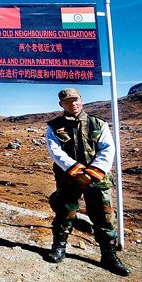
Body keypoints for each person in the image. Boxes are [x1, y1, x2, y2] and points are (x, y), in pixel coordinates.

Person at [45, 88, 130, 276]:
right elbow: (55, 151)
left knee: (104, 217)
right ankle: (59, 247)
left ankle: (109, 255)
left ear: (81, 101)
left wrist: (92, 172)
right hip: (68, 178)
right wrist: (76, 171)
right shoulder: (54, 126)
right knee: (64, 213)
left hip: (96, 179)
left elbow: (107, 149)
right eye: (67, 101)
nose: (72, 104)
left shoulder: (98, 124)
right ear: (61, 105)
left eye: (75, 100)